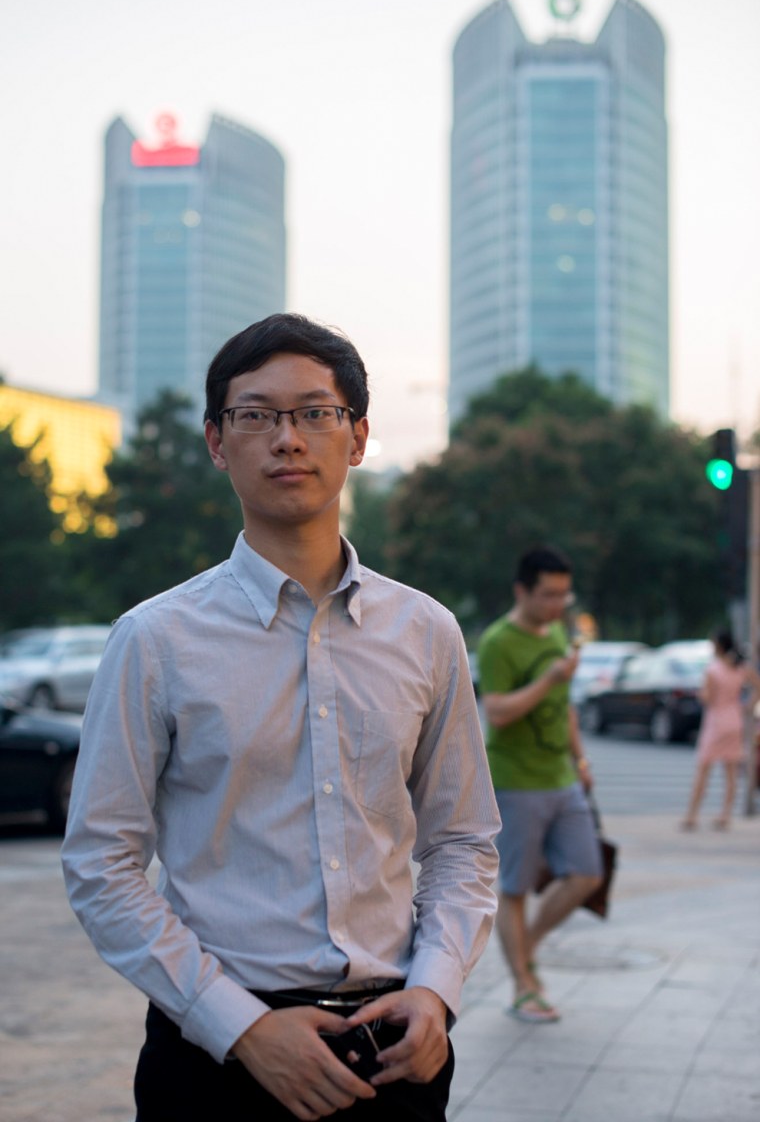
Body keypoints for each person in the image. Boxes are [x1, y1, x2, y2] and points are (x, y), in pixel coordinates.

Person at [62, 313, 500, 1122]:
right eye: (255, 415)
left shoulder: (426, 632)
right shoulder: (155, 640)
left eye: (314, 413)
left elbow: (461, 839)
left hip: (395, 1046)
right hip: (217, 1057)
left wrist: (437, 991)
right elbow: (102, 865)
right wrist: (242, 1027)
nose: (287, 439)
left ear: (358, 438)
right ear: (217, 442)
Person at [476, 546, 602, 1024]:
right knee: (515, 887)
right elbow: (499, 713)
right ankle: (523, 985)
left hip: (562, 777)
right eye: (548, 595)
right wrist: (548, 678)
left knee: (587, 874)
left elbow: (565, 706)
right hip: (516, 781)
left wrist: (580, 757)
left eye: (564, 596)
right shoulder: (498, 642)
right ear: (521, 591)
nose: (557, 606)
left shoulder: (556, 635)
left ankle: (525, 946)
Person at [681, 629, 760, 831]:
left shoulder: (713, 669)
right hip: (734, 719)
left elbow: (706, 698)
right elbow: (758, 686)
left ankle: (692, 814)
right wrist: (747, 706)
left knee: (703, 770)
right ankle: (725, 815)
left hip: (715, 721)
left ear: (718, 645)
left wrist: (702, 694)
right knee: (731, 772)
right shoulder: (740, 667)